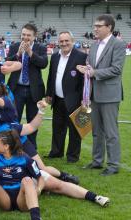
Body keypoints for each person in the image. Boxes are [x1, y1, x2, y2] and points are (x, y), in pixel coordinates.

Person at [76, 14, 126, 176]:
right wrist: (85, 69)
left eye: (99, 26)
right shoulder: (95, 45)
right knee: (96, 130)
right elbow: (90, 67)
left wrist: (93, 72)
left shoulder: (118, 44)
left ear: (109, 27)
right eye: (95, 25)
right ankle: (97, 161)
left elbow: (116, 69)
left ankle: (113, 165)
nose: (95, 28)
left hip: (110, 95)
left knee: (111, 132)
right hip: (94, 94)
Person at [45, 31, 87, 163]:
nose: (64, 44)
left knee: (75, 129)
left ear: (72, 41)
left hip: (74, 99)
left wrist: (84, 98)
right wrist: (49, 94)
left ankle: (72, 156)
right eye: (61, 41)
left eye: (66, 41)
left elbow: (85, 80)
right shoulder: (55, 56)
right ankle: (56, 152)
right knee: (57, 128)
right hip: (57, 99)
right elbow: (51, 77)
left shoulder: (81, 56)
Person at [6, 23, 48, 148]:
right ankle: (13, 146)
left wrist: (30, 53)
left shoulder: (40, 47)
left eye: (28, 35)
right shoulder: (14, 46)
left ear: (34, 37)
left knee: (32, 119)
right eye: (23, 34)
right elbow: (7, 63)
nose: (25, 37)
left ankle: (31, 147)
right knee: (14, 119)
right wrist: (18, 54)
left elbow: (43, 63)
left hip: (34, 90)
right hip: (16, 89)